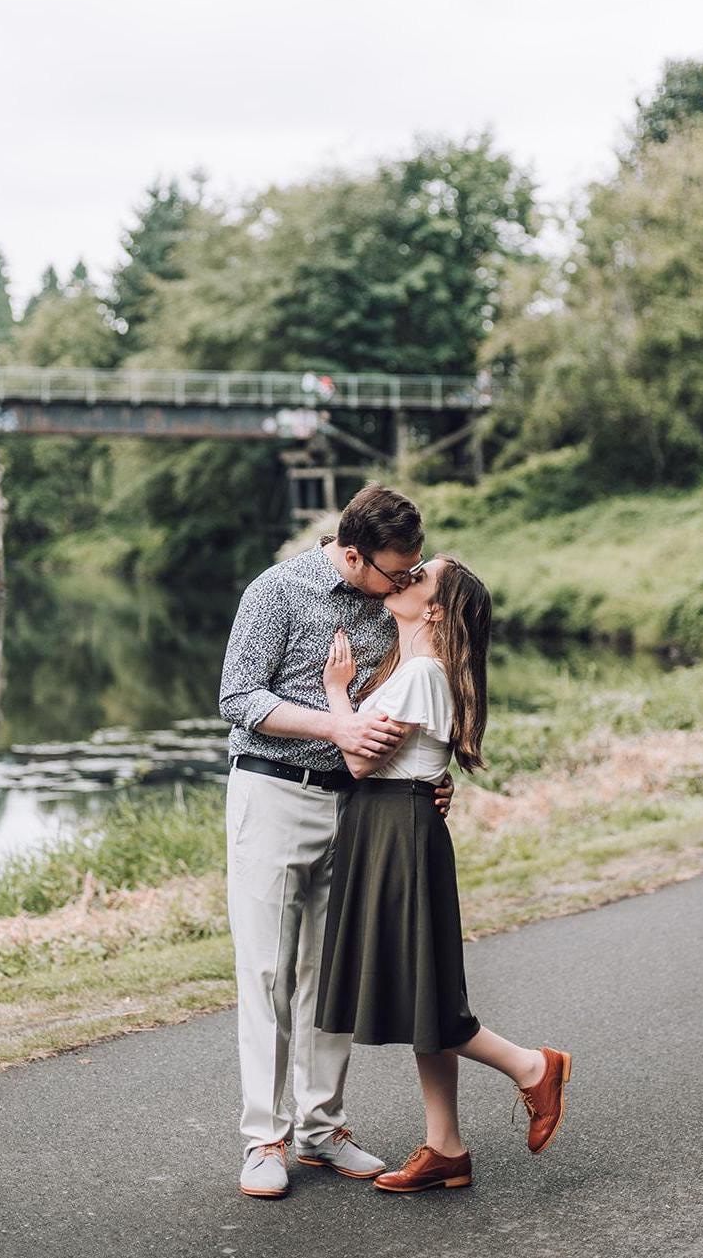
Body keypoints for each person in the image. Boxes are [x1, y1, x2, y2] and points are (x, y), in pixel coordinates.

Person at [218, 484, 454, 1200]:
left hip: (359, 805)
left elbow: (407, 704)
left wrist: (430, 778)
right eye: (396, 572)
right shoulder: (277, 590)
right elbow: (238, 698)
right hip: (271, 791)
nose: (407, 582)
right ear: (352, 555)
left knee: (330, 972)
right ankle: (265, 1138)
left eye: (413, 571)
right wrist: (335, 725)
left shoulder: (391, 604)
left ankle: (322, 1128)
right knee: (267, 971)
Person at [316, 555, 572, 1193]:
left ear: (433, 609)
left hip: (395, 831)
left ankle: (532, 1066)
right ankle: (446, 1148)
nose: (407, 576)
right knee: (421, 991)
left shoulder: (422, 672)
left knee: (425, 992)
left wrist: (337, 694)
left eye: (421, 575)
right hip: (392, 827)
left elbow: (361, 765)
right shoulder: (411, 668)